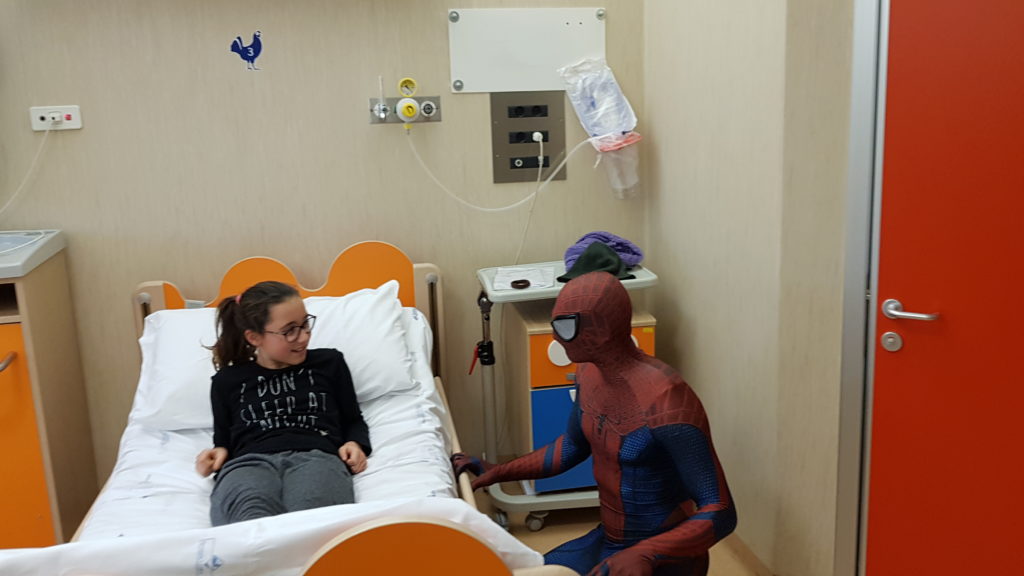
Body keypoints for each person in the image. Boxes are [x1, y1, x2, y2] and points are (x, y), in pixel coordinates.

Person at [453, 272, 736, 576]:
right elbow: (570, 447)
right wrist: (499, 471)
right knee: (529, 571)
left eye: (566, 326)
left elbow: (720, 511)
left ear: (601, 329)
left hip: (664, 558)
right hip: (612, 540)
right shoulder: (587, 373)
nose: (556, 338)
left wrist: (647, 553)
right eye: (555, 325)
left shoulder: (667, 400)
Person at [194, 281, 371, 526]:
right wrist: (218, 453)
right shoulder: (227, 381)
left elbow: (353, 419)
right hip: (248, 463)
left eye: (305, 324)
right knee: (248, 520)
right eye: (290, 331)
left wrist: (354, 443)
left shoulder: (329, 363)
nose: (304, 336)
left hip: (316, 457)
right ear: (254, 337)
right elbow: (223, 440)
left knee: (311, 523)